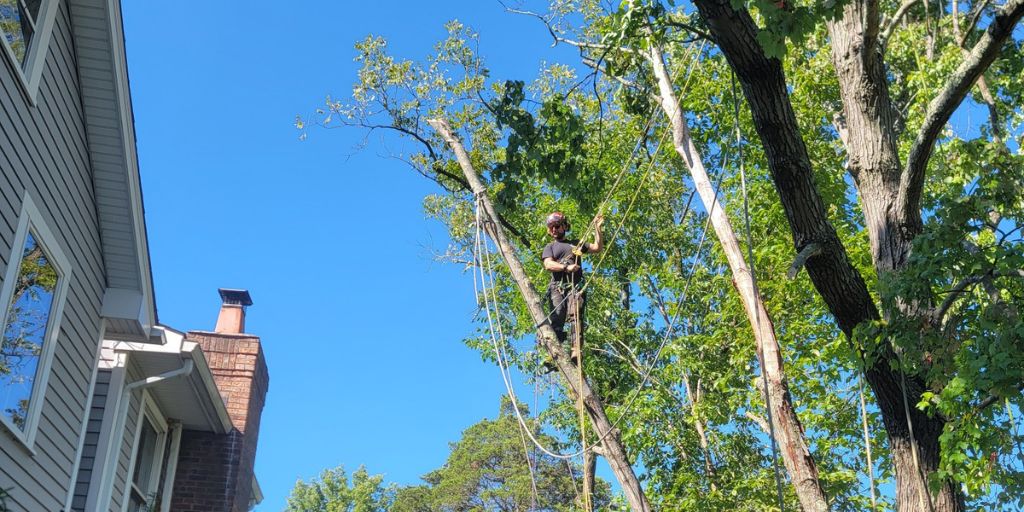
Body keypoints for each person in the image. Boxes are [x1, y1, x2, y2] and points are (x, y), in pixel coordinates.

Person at [541, 212, 604, 359]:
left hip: (575, 288)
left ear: (564, 226)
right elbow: (548, 264)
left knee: (576, 317)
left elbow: (597, 247)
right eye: (551, 228)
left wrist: (597, 229)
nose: (554, 230)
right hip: (558, 287)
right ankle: (553, 354)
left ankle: (576, 351)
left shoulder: (576, 244)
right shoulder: (550, 247)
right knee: (557, 318)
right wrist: (565, 268)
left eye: (556, 226)